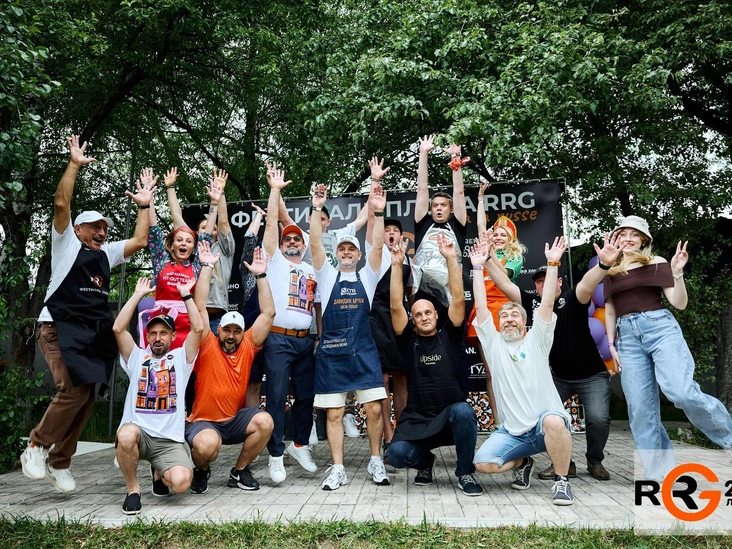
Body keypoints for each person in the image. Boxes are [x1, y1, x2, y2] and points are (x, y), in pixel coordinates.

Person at [20, 136, 153, 494]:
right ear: (78, 229)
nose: (101, 232)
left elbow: (140, 240)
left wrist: (144, 206)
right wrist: (74, 164)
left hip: (90, 334)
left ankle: (59, 461)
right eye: (95, 226)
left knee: (87, 397)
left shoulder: (106, 253)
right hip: (58, 327)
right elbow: (61, 202)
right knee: (72, 390)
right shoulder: (65, 243)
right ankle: (36, 446)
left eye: (104, 228)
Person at [604, 215, 732, 481]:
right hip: (627, 338)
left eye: (634, 234)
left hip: (660, 328)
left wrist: (677, 272)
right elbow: (610, 309)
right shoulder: (610, 270)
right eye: (623, 233)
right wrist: (610, 344)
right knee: (640, 409)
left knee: (680, 392)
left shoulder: (656, 262)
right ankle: (660, 474)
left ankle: (728, 438)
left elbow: (679, 303)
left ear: (644, 240)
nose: (628, 238)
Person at [472, 234, 577, 506]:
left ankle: (561, 481)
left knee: (554, 421)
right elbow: (481, 306)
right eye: (504, 316)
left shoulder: (537, 340)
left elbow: (548, 303)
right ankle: (523, 461)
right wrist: (477, 267)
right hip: (513, 433)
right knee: (483, 463)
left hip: (543, 427)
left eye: (514, 315)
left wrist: (553, 263)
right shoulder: (493, 343)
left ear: (525, 321)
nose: (508, 319)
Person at [519, 233, 622, 482]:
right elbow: (505, 285)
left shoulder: (572, 298)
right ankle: (564, 464)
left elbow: (587, 284)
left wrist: (603, 265)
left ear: (559, 281)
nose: (543, 285)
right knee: (544, 418)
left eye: (547, 280)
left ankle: (595, 460)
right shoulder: (534, 306)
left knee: (598, 419)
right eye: (539, 282)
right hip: (558, 378)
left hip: (591, 376)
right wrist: (485, 260)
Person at [386, 235, 482, 496]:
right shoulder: (408, 341)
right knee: (396, 454)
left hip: (450, 416)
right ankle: (425, 462)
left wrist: (450, 258)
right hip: (418, 418)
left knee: (464, 411)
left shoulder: (449, 336)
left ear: (437, 315)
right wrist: (396, 265)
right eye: (418, 315)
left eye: (428, 312)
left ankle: (465, 472)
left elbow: (459, 301)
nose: (424, 317)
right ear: (413, 320)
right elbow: (395, 306)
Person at [278, 170, 371, 439]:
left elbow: (364, 217)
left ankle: (348, 413)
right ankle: (310, 422)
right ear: (309, 219)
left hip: (339, 303)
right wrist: (277, 190)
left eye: (322, 218)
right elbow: (283, 216)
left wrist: (375, 187)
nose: (318, 220)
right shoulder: (303, 238)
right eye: (314, 217)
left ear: (328, 221)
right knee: (311, 368)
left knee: (346, 353)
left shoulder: (342, 235)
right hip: (309, 305)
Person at [310, 182, 390, 490]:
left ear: (358, 255)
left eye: (351, 249)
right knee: (334, 413)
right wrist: (316, 208)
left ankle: (375, 460)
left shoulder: (367, 276)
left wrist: (378, 213)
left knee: (374, 408)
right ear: (336, 253)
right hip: (332, 355)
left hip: (363, 351)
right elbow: (315, 244)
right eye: (342, 249)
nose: (346, 252)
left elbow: (378, 247)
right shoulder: (326, 274)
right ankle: (338, 468)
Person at [112, 266, 205, 514]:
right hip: (140, 434)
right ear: (147, 336)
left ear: (173, 336)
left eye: (163, 333)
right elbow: (118, 329)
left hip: (168, 441)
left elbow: (198, 329)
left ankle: (159, 472)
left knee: (181, 483)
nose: (157, 338)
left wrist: (186, 295)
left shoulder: (181, 359)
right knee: (126, 434)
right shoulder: (137, 357)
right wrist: (137, 295)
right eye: (152, 333)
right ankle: (133, 490)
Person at [185, 246, 275, 493]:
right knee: (206, 446)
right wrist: (206, 267)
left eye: (237, 331)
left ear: (243, 333)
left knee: (265, 421)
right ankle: (202, 470)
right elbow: (200, 307)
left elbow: (268, 313)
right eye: (227, 330)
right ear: (219, 330)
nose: (231, 336)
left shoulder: (248, 345)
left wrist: (261, 276)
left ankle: (239, 471)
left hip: (234, 421)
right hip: (204, 422)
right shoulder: (207, 343)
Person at [260, 163, 319, 484]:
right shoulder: (275, 262)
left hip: (305, 340)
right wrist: (275, 191)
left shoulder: (312, 269)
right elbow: (273, 224)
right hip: (278, 339)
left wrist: (319, 335)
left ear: (304, 244)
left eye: (297, 239)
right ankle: (275, 454)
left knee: (307, 395)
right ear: (281, 246)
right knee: (277, 395)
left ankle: (299, 444)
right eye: (288, 239)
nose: (292, 241)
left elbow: (319, 306)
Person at [141, 169, 218, 347]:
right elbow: (153, 230)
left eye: (189, 241)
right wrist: (148, 197)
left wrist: (214, 203)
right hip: (160, 324)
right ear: (172, 244)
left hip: (187, 325)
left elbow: (207, 236)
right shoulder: (161, 262)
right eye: (179, 240)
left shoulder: (197, 266)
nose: (184, 243)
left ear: (193, 247)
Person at [167, 168, 236, 332]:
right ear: (197, 233)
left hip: (217, 318)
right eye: (204, 228)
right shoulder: (190, 250)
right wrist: (170, 188)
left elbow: (224, 222)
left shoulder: (224, 249)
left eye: (213, 229)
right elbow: (176, 217)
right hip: (192, 314)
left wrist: (221, 193)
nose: (210, 231)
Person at [412, 135, 467, 311]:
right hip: (424, 292)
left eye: (443, 205)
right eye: (435, 206)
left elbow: (458, 192)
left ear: (451, 209)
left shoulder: (457, 225)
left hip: (453, 291)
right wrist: (423, 154)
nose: (438, 209)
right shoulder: (423, 224)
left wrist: (455, 158)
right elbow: (422, 188)